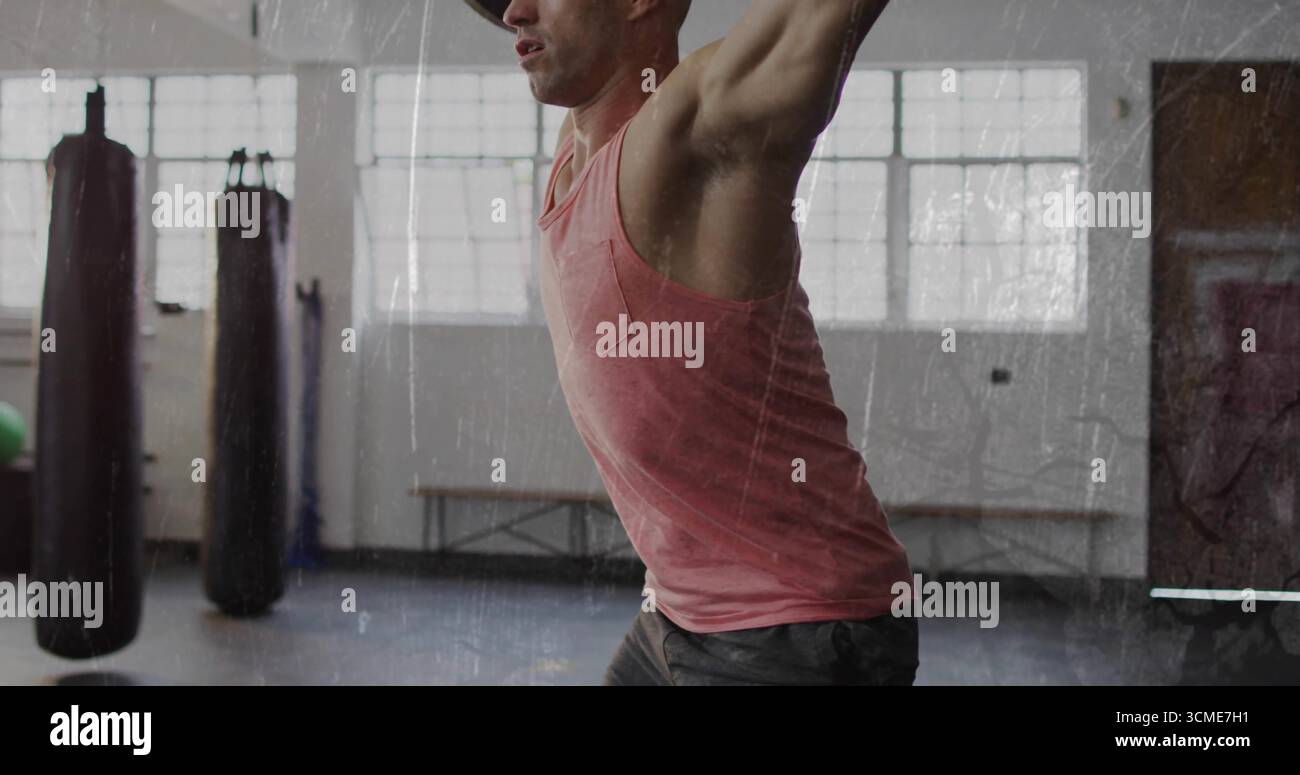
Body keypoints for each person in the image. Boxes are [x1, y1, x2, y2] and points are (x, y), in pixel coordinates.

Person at [470, 0, 917, 685]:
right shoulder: (583, 136)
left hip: (798, 625)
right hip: (680, 610)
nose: (513, 12)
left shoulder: (696, 130)